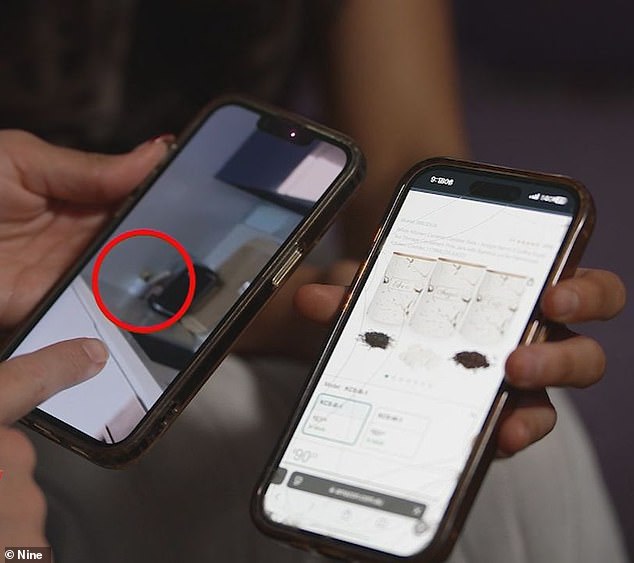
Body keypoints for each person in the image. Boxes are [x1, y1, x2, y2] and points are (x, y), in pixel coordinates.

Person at [0, 131, 627, 561]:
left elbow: (413, 158)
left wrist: (384, 304)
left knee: (523, 449)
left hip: (255, 317)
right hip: (49, 362)